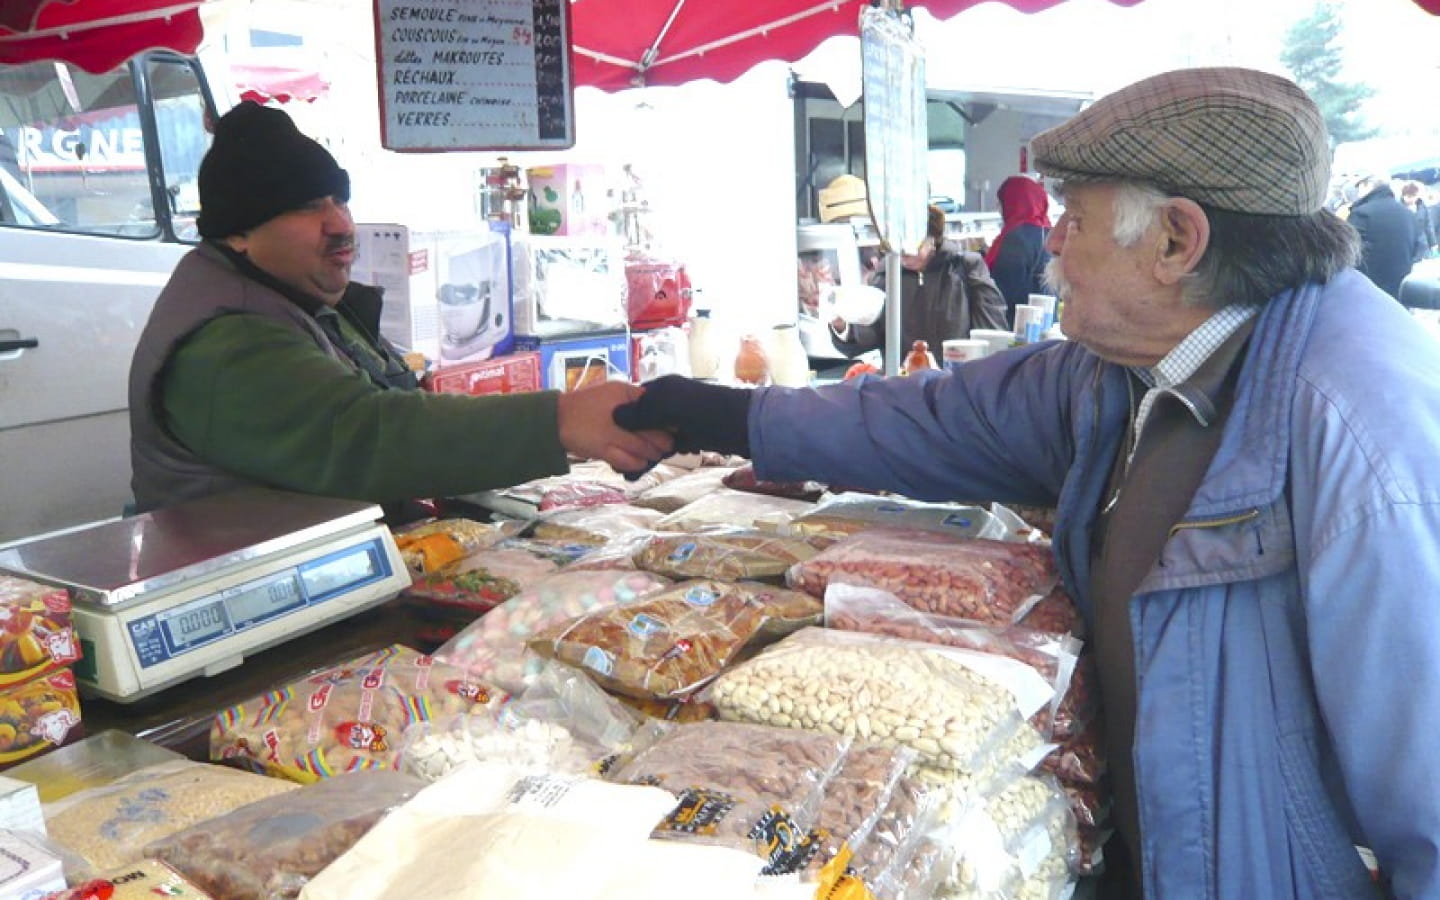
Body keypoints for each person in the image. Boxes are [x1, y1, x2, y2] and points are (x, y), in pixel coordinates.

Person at [615, 66, 1440, 898]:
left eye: (1073, 219)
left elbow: (1429, 785)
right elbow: (934, 417)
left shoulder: (1360, 429)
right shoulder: (1123, 368)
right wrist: (727, 418)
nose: (1047, 242)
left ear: (1176, 242)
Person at [129, 101, 670, 515]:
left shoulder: (296, 298)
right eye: (305, 206)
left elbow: (395, 397)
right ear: (239, 233)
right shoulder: (225, 341)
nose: (340, 223)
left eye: (338, 199)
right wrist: (557, 420)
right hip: (253, 612)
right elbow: (364, 435)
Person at [828, 204, 1008, 360]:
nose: (905, 251)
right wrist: (842, 325)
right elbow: (871, 332)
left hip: (955, 384)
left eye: (914, 243)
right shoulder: (887, 275)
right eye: (899, 243)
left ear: (933, 240)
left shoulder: (965, 268)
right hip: (906, 386)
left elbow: (992, 330)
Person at [985, 175, 1053, 324]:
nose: (999, 208)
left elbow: (1002, 291)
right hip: (1046, 320)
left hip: (1017, 323)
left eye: (1001, 202)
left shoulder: (1016, 237)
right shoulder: (1050, 233)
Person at [1348, 173, 1418, 299]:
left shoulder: (1361, 214)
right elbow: (1416, 250)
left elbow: (1349, 257)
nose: (1358, 193)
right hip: (1401, 294)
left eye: (1359, 187)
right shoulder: (1408, 214)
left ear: (1367, 184)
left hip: (1369, 295)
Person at [1401, 180, 1436, 260]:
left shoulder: (1422, 206)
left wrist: (1433, 244)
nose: (1412, 199)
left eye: (1414, 196)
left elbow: (1429, 226)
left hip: (1424, 247)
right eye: (1409, 196)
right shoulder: (1399, 209)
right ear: (1403, 196)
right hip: (1409, 249)